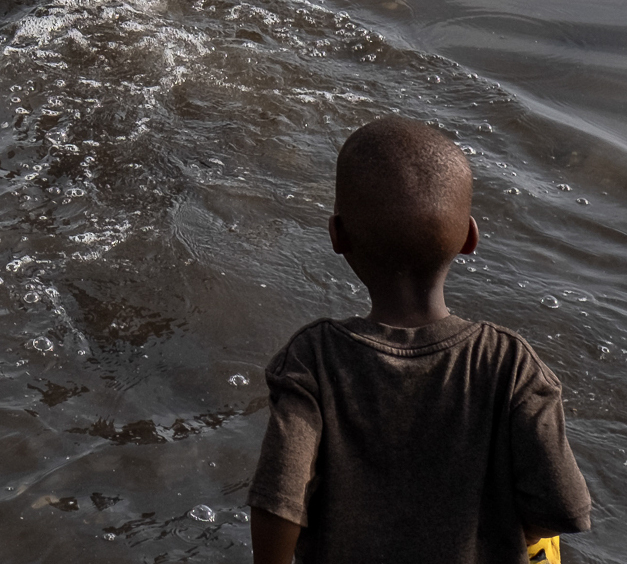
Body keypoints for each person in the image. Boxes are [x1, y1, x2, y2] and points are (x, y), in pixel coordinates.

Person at [249, 116, 594, 564]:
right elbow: (563, 508)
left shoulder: (313, 359)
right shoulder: (510, 363)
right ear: (471, 237)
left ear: (337, 235)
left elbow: (279, 501)